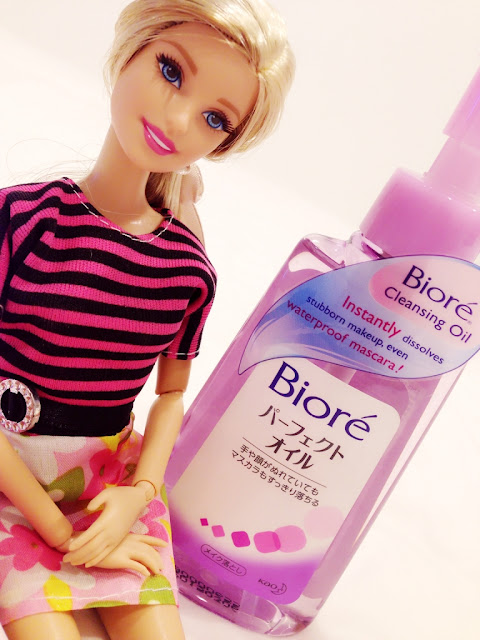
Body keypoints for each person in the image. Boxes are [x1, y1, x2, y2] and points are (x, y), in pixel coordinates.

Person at [0, 1, 294, 638]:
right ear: (129, 51)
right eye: (170, 70)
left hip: (109, 490)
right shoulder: (23, 220)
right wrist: (55, 530)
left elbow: (169, 397)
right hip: (7, 482)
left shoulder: (187, 271)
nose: (179, 119)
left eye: (215, 119)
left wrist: (140, 493)